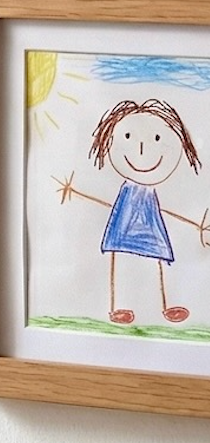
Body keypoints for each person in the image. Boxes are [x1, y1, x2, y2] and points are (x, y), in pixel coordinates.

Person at [82, 99, 202, 324]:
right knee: (122, 260)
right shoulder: (127, 193)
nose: (142, 148)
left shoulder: (150, 195)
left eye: (157, 139)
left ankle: (165, 306)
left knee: (157, 261)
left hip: (151, 229)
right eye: (128, 137)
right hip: (122, 229)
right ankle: (118, 307)